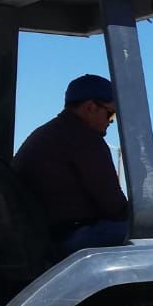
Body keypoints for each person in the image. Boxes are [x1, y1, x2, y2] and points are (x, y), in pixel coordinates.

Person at [13, 74, 129, 254]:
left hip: (41, 237)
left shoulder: (49, 133)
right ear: (90, 107)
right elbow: (113, 205)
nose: (111, 122)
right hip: (68, 238)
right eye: (110, 114)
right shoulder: (84, 140)